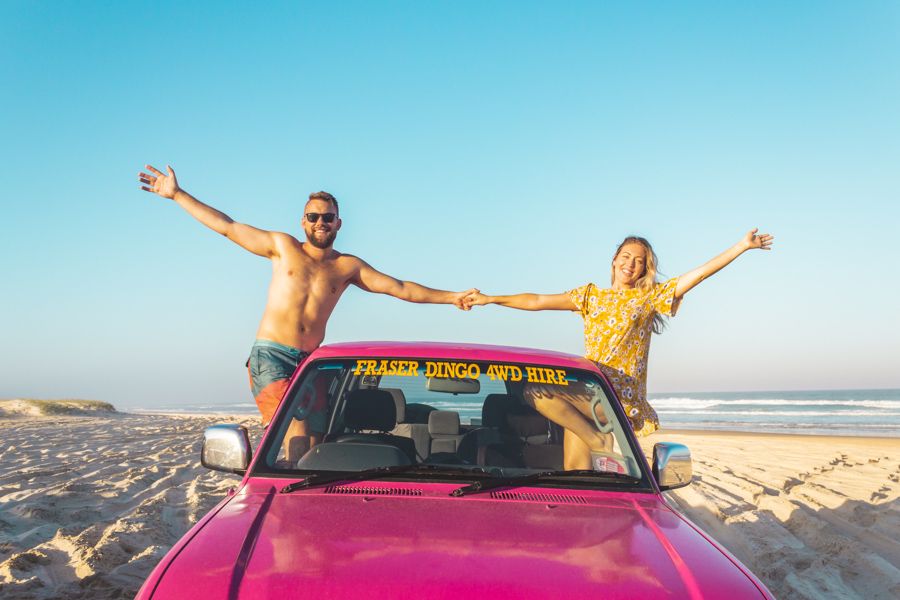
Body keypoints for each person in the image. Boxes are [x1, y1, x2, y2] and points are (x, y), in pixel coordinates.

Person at [138, 164, 475, 449]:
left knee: (317, 437)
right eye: (313, 216)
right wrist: (177, 195)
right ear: (302, 221)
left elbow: (401, 289)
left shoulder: (348, 267)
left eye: (327, 217)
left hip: (313, 361)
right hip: (272, 356)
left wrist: (451, 296)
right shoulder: (283, 247)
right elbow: (227, 226)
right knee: (293, 430)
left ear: (338, 223)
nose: (320, 222)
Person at [463, 229, 774, 470]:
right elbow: (537, 301)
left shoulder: (649, 297)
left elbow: (699, 275)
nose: (631, 264)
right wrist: (492, 299)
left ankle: (599, 438)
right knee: (575, 470)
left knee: (534, 391)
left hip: (617, 396)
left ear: (644, 268)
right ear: (614, 260)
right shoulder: (590, 297)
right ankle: (594, 455)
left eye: (639, 260)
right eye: (626, 256)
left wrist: (741, 247)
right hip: (588, 391)